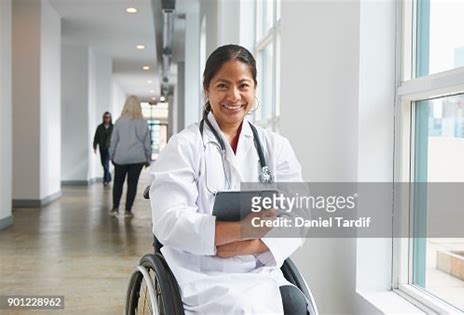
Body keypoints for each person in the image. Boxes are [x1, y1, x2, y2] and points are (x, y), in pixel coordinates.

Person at [150, 45, 316, 314]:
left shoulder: (275, 146)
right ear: (207, 88)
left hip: (259, 267)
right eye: (223, 85)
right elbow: (169, 220)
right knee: (242, 307)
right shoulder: (184, 146)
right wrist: (240, 229)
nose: (234, 96)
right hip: (198, 269)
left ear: (254, 88)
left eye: (243, 85)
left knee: (295, 305)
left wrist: (252, 243)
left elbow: (299, 215)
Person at [109, 95, 151, 218]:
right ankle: (128, 210)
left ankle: (115, 208)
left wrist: (111, 155)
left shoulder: (119, 121)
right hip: (137, 158)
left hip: (120, 158)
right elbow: (147, 142)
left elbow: (114, 141)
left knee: (118, 183)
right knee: (132, 184)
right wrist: (147, 157)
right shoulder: (143, 122)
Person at [93, 112, 114, 186]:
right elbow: (96, 137)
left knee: (106, 163)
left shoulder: (113, 127)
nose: (107, 119)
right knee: (103, 163)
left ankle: (106, 179)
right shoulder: (100, 127)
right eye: (105, 117)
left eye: (108, 117)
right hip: (102, 148)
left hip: (110, 148)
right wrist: (95, 147)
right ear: (103, 118)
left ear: (110, 118)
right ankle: (109, 177)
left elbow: (116, 138)